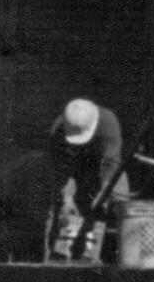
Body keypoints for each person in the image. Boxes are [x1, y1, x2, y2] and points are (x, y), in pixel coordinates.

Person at [46, 97, 130, 264]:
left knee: (117, 196)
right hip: (78, 166)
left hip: (105, 165)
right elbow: (61, 170)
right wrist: (67, 199)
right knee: (68, 207)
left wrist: (105, 193)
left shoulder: (108, 121)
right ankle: (61, 254)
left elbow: (111, 162)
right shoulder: (59, 129)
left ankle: (98, 254)